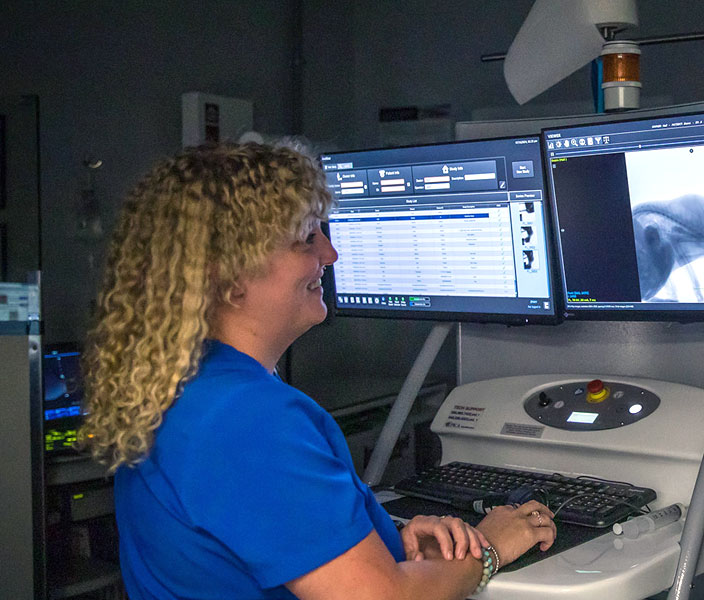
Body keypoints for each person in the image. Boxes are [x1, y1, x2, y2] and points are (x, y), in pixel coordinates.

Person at [80, 142, 557, 600]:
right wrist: (490, 547)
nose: (329, 255)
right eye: (306, 238)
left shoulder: (190, 386)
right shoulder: (247, 417)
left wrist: (388, 541)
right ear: (228, 276)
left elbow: (256, 532)